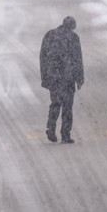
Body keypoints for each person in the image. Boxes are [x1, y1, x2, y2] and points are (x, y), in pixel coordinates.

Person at [39, 16, 84, 144]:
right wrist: (79, 79)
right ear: (73, 27)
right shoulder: (73, 38)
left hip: (53, 77)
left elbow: (43, 56)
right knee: (67, 106)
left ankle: (51, 129)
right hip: (68, 78)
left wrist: (45, 75)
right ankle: (65, 134)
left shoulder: (50, 35)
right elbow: (77, 59)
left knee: (55, 103)